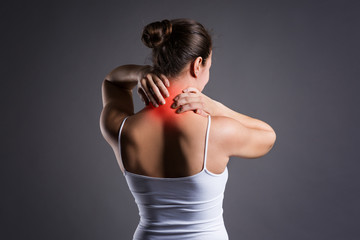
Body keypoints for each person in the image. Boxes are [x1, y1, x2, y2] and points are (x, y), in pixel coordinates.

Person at [100, 18, 276, 240]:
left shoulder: (121, 128)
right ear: (197, 65)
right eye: (208, 67)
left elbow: (112, 81)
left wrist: (140, 73)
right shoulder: (216, 131)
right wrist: (217, 107)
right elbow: (268, 136)